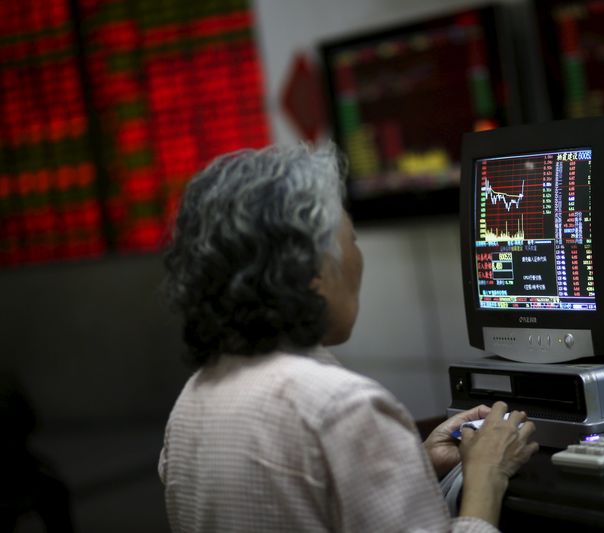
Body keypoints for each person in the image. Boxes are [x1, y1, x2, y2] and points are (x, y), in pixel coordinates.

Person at [159, 142, 538, 532]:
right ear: (312, 273)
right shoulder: (341, 408)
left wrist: (411, 463)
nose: (358, 260)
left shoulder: (191, 403)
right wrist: (485, 477)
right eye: (351, 240)